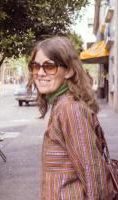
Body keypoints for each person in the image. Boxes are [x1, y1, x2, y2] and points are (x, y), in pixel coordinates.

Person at [27, 37, 114, 199]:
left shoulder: (70, 108)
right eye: (35, 66)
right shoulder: (61, 104)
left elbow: (94, 175)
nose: (40, 73)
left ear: (69, 71)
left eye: (49, 66)